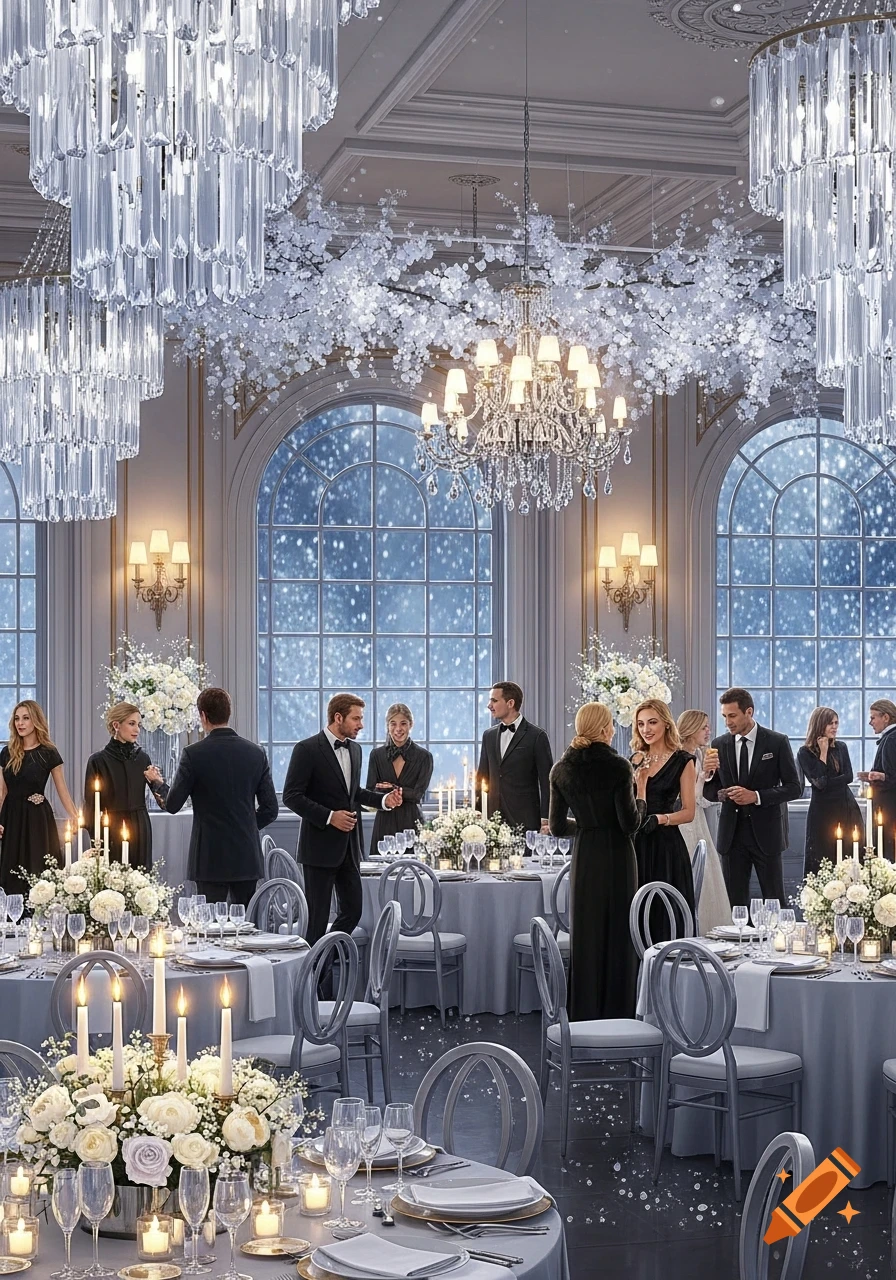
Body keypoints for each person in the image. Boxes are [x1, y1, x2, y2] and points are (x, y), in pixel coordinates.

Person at [283, 693, 404, 946]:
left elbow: (353, 793)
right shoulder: (306, 749)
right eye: (356, 718)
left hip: (349, 848)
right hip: (319, 849)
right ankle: (315, 982)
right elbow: (291, 796)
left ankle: (323, 962)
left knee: (353, 911)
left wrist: (383, 801)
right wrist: (329, 817)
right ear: (338, 718)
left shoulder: (356, 750)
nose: (361, 724)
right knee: (316, 921)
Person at [549, 702, 643, 1020]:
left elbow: (559, 827)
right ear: (604, 730)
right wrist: (640, 798)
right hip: (617, 855)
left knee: (586, 934)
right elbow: (630, 824)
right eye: (612, 725)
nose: (615, 730)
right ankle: (619, 1011)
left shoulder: (561, 770)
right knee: (618, 932)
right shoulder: (619, 768)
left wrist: (588, 825)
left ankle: (584, 1012)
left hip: (586, 855)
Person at [163, 687, 278, 905]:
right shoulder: (255, 753)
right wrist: (247, 826)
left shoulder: (193, 754)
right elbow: (270, 809)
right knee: (245, 927)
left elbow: (173, 805)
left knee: (209, 928)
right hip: (246, 854)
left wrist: (157, 784)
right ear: (229, 713)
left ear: (203, 715)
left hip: (209, 856)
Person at [703, 686, 802, 907]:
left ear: (749, 712)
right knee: (735, 905)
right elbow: (709, 791)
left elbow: (794, 788)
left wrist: (756, 796)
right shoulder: (719, 745)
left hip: (767, 835)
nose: (727, 722)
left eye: (732, 716)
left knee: (775, 901)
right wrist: (714, 785)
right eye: (724, 716)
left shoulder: (777, 742)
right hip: (732, 836)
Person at [631, 700, 696, 939]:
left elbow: (689, 812)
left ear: (666, 724)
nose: (646, 729)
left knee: (666, 917)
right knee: (639, 917)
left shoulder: (683, 760)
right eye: (640, 724)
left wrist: (661, 819)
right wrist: (641, 786)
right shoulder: (636, 759)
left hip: (666, 849)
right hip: (637, 846)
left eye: (652, 722)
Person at [0, 701, 79, 892]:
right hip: (11, 817)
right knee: (11, 870)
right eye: (17, 719)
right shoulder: (7, 752)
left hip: (38, 818)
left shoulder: (49, 753)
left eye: (26, 718)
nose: (20, 723)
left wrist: (76, 817)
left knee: (39, 869)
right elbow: (2, 792)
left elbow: (63, 790)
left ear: (36, 720)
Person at [84, 703, 169, 869]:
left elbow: (166, 803)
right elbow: (90, 807)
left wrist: (158, 782)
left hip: (140, 828)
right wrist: (97, 842)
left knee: (141, 886)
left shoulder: (143, 759)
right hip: (110, 828)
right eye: (131, 724)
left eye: (139, 725)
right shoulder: (97, 761)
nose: (137, 729)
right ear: (116, 725)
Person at [676, 709, 731, 932]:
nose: (709, 731)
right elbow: (685, 798)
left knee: (707, 875)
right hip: (683, 822)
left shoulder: (700, 754)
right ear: (690, 730)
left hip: (699, 822)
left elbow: (703, 800)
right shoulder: (678, 757)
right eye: (704, 727)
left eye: (708, 726)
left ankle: (710, 928)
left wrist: (710, 779)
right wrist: (702, 777)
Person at [476, 682, 553, 833]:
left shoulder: (537, 736)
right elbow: (482, 777)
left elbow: (547, 782)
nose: (489, 705)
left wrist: (546, 817)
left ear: (510, 703)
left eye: (494, 700)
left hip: (525, 820)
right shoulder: (488, 736)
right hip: (492, 821)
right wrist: (478, 811)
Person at [798, 707, 863, 876]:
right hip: (822, 813)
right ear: (819, 725)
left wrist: (827, 783)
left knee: (849, 853)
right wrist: (824, 752)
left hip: (846, 807)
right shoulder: (804, 752)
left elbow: (848, 776)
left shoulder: (841, 747)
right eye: (830, 723)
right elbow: (819, 782)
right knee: (822, 857)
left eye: (836, 723)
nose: (835, 727)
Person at [366, 703, 433, 848]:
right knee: (382, 869)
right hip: (384, 821)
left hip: (411, 822)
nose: (398, 729)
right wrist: (401, 792)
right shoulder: (376, 755)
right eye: (393, 724)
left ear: (411, 725)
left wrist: (391, 788)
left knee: (414, 869)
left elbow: (418, 794)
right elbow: (370, 792)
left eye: (403, 723)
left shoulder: (424, 757)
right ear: (387, 726)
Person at [857, 698, 896, 839]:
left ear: (886, 717)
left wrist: (878, 776)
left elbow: (892, 777)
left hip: (888, 811)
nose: (870, 722)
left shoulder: (891, 739)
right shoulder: (890, 738)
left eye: (873, 717)